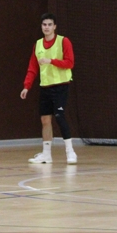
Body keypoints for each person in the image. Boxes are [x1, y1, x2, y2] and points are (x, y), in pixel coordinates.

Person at [20, 13, 76, 164]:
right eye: (44, 25)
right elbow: (32, 68)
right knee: (45, 119)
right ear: (41, 26)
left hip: (61, 85)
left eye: (50, 24)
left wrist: (51, 61)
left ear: (55, 26)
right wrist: (26, 86)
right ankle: (46, 154)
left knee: (59, 115)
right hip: (45, 87)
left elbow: (70, 63)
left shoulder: (63, 41)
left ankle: (70, 151)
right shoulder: (38, 45)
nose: (47, 27)